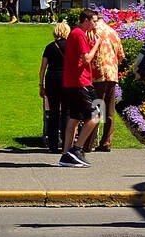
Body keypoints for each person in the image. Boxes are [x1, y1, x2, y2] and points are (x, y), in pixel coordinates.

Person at [60, 9, 103, 167]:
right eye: (93, 20)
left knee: (75, 118)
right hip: (81, 82)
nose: (95, 23)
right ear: (85, 20)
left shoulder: (76, 33)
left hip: (72, 82)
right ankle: (77, 149)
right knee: (96, 115)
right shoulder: (79, 34)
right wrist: (96, 45)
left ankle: (66, 154)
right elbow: (86, 59)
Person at [83, 16, 123, 153]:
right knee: (110, 111)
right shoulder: (113, 32)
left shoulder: (92, 32)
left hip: (97, 75)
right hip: (112, 74)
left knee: (96, 110)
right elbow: (121, 55)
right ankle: (106, 142)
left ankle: (87, 144)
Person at [40, 22, 70, 154]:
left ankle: (52, 144)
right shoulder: (71, 46)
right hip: (67, 80)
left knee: (53, 113)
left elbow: (43, 68)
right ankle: (65, 143)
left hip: (52, 80)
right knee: (66, 112)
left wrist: (41, 85)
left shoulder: (50, 47)